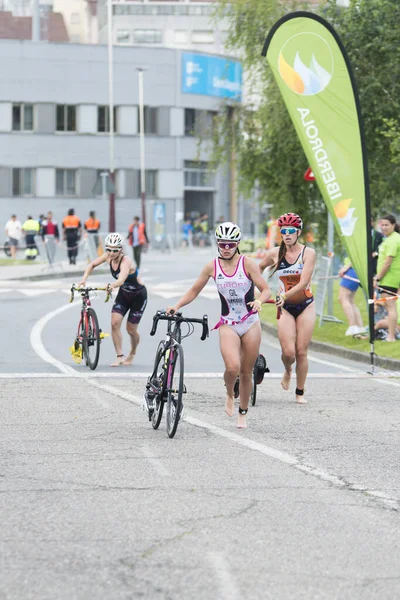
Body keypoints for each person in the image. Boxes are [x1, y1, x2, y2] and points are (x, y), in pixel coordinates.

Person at [166, 222, 271, 429]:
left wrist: (259, 301)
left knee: (246, 371)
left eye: (230, 245)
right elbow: (194, 290)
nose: (226, 248)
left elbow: (266, 290)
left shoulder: (247, 264)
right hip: (228, 323)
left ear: (237, 244)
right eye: (222, 244)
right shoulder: (212, 266)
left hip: (250, 322)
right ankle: (230, 393)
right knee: (232, 367)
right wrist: (177, 306)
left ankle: (243, 411)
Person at [259, 213, 316, 404]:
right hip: (285, 308)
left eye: (291, 231)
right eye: (284, 231)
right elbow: (257, 269)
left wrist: (283, 295)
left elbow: (303, 282)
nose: (287, 234)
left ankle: (300, 392)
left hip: (305, 304)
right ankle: (288, 369)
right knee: (288, 353)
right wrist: (259, 291)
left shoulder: (308, 253)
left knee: (301, 351)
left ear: (298, 232)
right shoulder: (275, 254)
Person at [78, 233, 147, 366]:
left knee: (131, 330)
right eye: (108, 249)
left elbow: (121, 279)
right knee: (115, 323)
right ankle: (120, 356)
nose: (110, 253)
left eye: (114, 250)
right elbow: (92, 264)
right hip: (124, 294)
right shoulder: (108, 256)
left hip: (138, 295)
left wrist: (112, 285)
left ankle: (132, 352)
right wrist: (84, 278)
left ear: (120, 249)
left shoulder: (126, 261)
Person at [374, 214, 400, 342]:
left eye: (387, 225)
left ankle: (391, 336)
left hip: (389, 278)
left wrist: (377, 278)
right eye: (382, 225)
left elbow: (388, 262)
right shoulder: (389, 239)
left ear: (393, 225)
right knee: (389, 306)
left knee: (390, 307)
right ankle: (391, 334)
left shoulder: (393, 240)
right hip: (388, 279)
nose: (384, 228)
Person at [338, 259, 365, 336]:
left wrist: (346, 268)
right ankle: (359, 326)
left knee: (343, 298)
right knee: (350, 300)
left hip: (352, 270)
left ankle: (353, 326)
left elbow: (354, 255)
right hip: (355, 269)